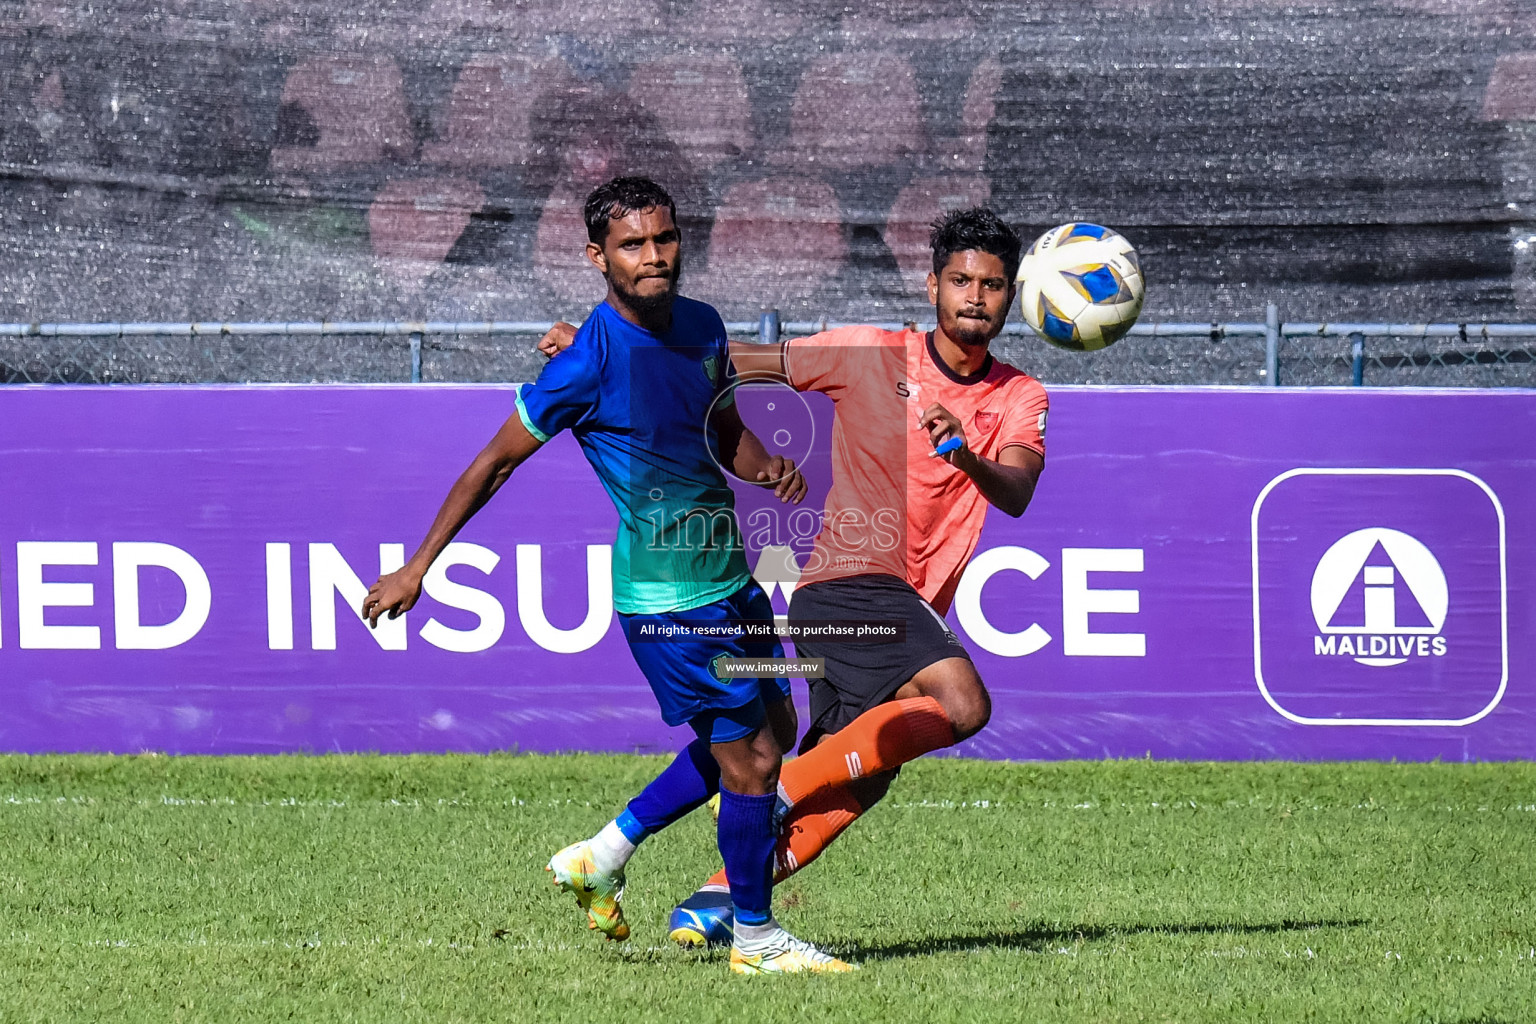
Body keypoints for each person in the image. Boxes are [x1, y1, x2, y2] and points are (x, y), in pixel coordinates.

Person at [364, 176, 851, 975]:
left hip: (730, 575)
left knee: (775, 733)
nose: (654, 256)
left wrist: (767, 467)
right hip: (669, 597)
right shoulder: (584, 363)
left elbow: (720, 425)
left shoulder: (701, 325)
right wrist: (420, 566)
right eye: (633, 245)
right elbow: (491, 466)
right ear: (598, 257)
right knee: (754, 760)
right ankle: (758, 942)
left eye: (664, 239)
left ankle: (602, 854)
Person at [547, 208, 1047, 945]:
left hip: (904, 602)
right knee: (962, 703)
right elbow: (731, 358)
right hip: (845, 583)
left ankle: (707, 898)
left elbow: (1017, 492)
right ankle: (778, 798)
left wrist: (966, 454)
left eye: (993, 285)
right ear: (932, 285)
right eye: (960, 280)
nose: (975, 296)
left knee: (857, 777)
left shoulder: (1019, 396)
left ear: (1013, 298)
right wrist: (617, 354)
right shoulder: (870, 353)